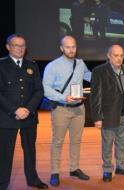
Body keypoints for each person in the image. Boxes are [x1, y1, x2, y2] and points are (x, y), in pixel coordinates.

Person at [0, 34, 48, 189]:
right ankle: (2, 183)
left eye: (23, 46)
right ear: (8, 47)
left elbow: (39, 91)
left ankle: (33, 179)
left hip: (29, 116)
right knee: (5, 153)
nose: (20, 48)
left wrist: (27, 109)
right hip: (7, 117)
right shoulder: (1, 65)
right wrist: (15, 110)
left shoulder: (32, 65)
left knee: (30, 151)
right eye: (16, 45)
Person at [43, 35, 91, 186]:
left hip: (79, 109)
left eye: (74, 47)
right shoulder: (53, 66)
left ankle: (74, 168)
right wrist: (64, 98)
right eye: (68, 47)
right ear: (61, 48)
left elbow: (88, 76)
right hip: (61, 109)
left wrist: (105, 73)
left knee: (76, 141)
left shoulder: (80, 63)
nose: (71, 50)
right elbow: (46, 88)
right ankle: (55, 172)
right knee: (58, 141)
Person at [90, 44, 124, 182]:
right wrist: (97, 117)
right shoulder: (99, 71)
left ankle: (121, 166)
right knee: (107, 144)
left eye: (121, 56)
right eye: (116, 55)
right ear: (109, 56)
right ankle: (107, 170)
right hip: (108, 115)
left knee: (122, 143)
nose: (119, 59)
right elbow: (95, 96)